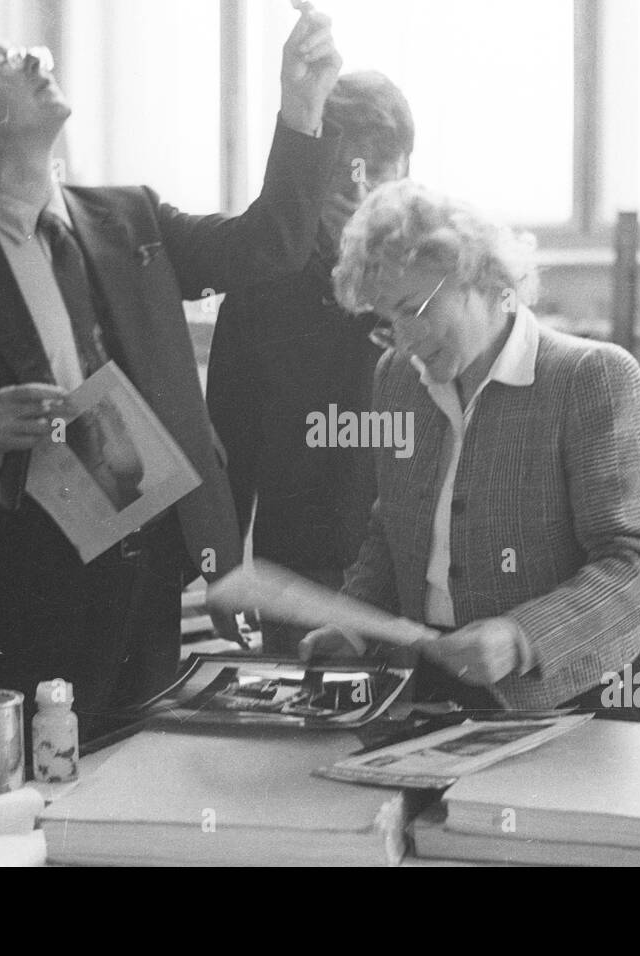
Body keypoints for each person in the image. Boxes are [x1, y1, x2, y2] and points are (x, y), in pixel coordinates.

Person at [0, 11, 342, 731]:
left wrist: (301, 109)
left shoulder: (133, 217)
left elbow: (267, 245)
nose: (39, 56)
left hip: (167, 577)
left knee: (162, 789)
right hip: (27, 597)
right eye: (6, 60)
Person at [300, 180, 640, 710]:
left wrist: (521, 637)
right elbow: (394, 529)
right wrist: (357, 624)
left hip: (570, 698)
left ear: (480, 276)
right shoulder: (398, 377)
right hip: (432, 690)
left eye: (414, 310)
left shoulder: (591, 378)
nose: (404, 342)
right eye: (388, 324)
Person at [206, 70, 413, 656]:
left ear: (406, 172)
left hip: (417, 566)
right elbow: (229, 443)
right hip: (300, 572)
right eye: (338, 171)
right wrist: (224, 570)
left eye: (376, 171)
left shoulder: (434, 282)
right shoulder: (260, 283)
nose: (356, 191)